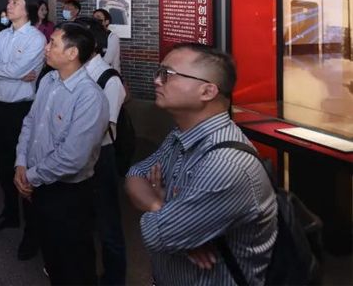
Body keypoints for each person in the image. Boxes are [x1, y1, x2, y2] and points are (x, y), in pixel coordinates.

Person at [125, 44, 277, 286]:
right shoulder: (180, 135)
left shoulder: (225, 164)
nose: (157, 80)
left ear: (207, 91)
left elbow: (159, 234)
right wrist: (160, 206)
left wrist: (168, 221)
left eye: (167, 74)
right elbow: (135, 174)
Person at [15, 22, 110, 284]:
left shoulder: (90, 97)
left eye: (53, 43)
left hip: (68, 193)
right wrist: (21, 163)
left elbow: (72, 158)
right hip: (38, 184)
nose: (46, 47)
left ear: (72, 53)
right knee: (52, 257)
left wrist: (30, 177)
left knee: (74, 263)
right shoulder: (49, 80)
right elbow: (30, 123)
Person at [0, 0, 47, 261]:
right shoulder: (1, 35)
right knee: (3, 164)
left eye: (15, 2)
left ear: (27, 8)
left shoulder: (36, 39)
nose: (9, 5)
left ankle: (32, 232)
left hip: (22, 110)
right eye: (9, 1)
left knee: (25, 169)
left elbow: (13, 69)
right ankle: (10, 214)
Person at [76, 17, 128, 285]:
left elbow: (104, 127)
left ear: (93, 44)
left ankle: (114, 277)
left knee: (108, 222)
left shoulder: (108, 78)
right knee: (80, 217)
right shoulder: (71, 73)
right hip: (75, 155)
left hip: (100, 156)